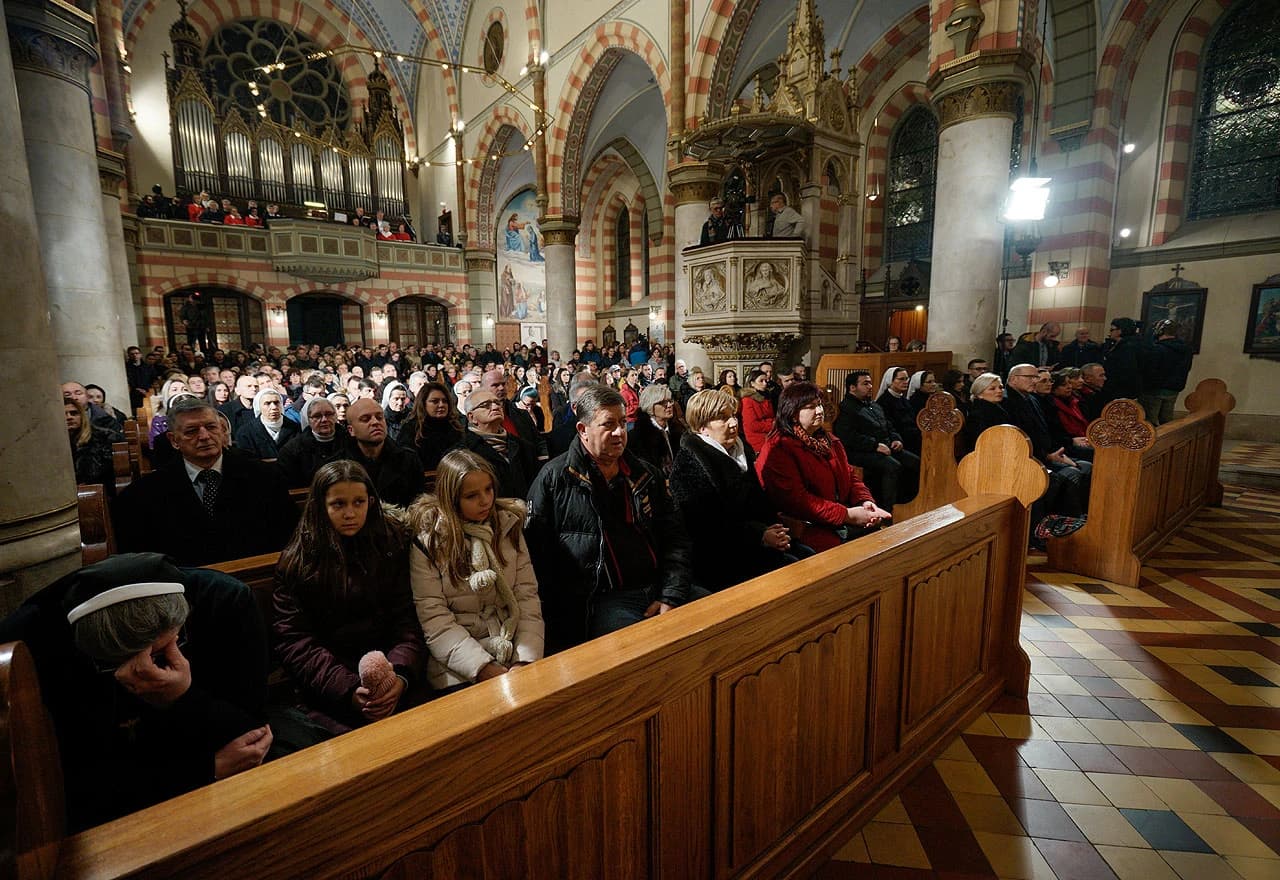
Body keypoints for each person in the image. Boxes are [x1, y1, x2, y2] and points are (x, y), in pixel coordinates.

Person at [0, 553, 273, 831]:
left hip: (222, 795)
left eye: (158, 654)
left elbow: (252, 740)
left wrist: (183, 697)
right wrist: (202, 771)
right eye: (113, 664)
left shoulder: (225, 601)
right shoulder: (31, 639)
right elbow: (75, 785)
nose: (140, 672)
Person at [525, 385, 700, 654]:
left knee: (720, 621)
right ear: (583, 430)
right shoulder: (554, 479)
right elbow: (538, 556)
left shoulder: (644, 473)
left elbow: (676, 538)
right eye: (608, 425)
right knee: (646, 651)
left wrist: (671, 594)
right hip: (603, 600)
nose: (619, 432)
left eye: (622, 422)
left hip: (659, 585)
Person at [273, 461, 425, 734]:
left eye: (359, 502)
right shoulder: (300, 562)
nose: (350, 513)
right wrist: (350, 689)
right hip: (330, 686)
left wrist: (400, 676)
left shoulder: (390, 544)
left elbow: (408, 618)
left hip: (393, 672)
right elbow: (295, 641)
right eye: (338, 505)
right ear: (321, 506)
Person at [407, 450, 544, 688]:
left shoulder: (506, 525)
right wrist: (481, 667)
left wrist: (524, 660)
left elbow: (526, 597)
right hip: (458, 663)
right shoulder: (429, 540)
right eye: (471, 496)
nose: (485, 500)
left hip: (512, 645)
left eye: (488, 489)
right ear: (451, 499)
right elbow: (435, 619)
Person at [115, 397, 297, 564]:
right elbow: (142, 560)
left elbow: (288, 537)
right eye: (192, 431)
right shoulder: (144, 495)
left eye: (211, 427)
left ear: (222, 430)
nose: (204, 436)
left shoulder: (264, 477)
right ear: (174, 440)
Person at [670, 390, 793, 590]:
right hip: (719, 560)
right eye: (723, 418)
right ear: (703, 428)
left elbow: (760, 501)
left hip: (758, 545)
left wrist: (776, 531)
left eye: (733, 416)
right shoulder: (689, 463)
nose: (734, 423)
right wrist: (760, 535)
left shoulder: (739, 451)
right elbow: (705, 527)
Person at [756, 382, 890, 553]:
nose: (820, 411)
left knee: (881, 544)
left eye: (819, 404)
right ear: (793, 414)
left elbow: (850, 476)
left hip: (838, 517)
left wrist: (865, 501)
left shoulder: (829, 440)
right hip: (805, 527)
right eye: (811, 407)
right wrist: (847, 515)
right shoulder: (779, 447)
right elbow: (798, 501)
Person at [833, 370, 920, 508]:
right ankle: (888, 509)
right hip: (861, 452)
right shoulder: (846, 408)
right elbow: (848, 437)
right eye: (865, 383)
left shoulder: (874, 405)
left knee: (915, 462)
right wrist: (875, 445)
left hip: (885, 446)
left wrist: (896, 439)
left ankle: (906, 503)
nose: (870, 386)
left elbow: (888, 425)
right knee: (893, 466)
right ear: (852, 388)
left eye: (870, 383)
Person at [343, 398, 425, 508]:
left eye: (379, 417)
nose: (375, 422)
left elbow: (417, 505)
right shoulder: (340, 463)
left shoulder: (408, 459)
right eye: (365, 419)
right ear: (351, 430)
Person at [458, 389, 539, 499]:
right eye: (486, 405)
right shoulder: (463, 451)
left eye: (497, 403)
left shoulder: (523, 446)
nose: (495, 407)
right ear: (471, 417)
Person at [277, 397, 350, 488]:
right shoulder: (292, 450)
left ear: (335, 416)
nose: (324, 420)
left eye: (329, 414)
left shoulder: (350, 441)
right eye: (317, 416)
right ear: (309, 420)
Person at [1139, 319, 1194, 425]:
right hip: (1173, 390)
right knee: (1167, 423)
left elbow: (1150, 370)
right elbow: (1187, 368)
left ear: (1159, 331)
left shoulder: (1157, 349)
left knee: (1149, 424)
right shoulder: (1186, 350)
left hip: (1154, 391)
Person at [402, 381, 463, 470]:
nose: (441, 405)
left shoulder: (455, 426)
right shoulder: (411, 429)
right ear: (423, 403)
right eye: (435, 401)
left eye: (445, 401)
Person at [629, 383, 683, 476]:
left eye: (670, 401)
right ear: (650, 407)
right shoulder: (637, 437)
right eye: (663, 402)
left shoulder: (678, 431)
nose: (669, 405)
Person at [233, 388, 299, 460]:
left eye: (276, 402)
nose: (274, 407)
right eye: (267, 403)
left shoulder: (294, 427)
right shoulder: (246, 432)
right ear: (259, 407)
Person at [66, 399, 115, 492]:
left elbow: (106, 474)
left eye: (74, 413)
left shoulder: (104, 437)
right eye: (64, 414)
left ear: (82, 416)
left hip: (99, 491)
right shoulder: (51, 444)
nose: (69, 417)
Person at [877, 367, 922, 455]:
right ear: (891, 381)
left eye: (906, 379)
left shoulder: (903, 398)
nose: (905, 382)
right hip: (898, 441)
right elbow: (889, 426)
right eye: (901, 379)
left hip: (911, 437)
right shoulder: (884, 401)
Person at [1102, 317, 1145, 402]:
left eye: (1112, 329)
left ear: (1120, 330)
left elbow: (1126, 370)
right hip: (1119, 388)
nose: (1110, 332)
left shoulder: (1128, 347)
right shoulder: (1120, 344)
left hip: (1122, 390)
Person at [739, 368, 775, 451]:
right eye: (761, 381)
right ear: (752, 383)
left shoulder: (766, 397)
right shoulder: (747, 400)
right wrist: (772, 424)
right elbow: (752, 425)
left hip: (769, 433)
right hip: (756, 437)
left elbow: (771, 416)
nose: (765, 384)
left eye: (766, 381)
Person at [381, 382, 413, 446]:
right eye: (396, 399)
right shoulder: (382, 419)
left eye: (403, 399)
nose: (400, 403)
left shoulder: (412, 416)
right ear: (388, 399)